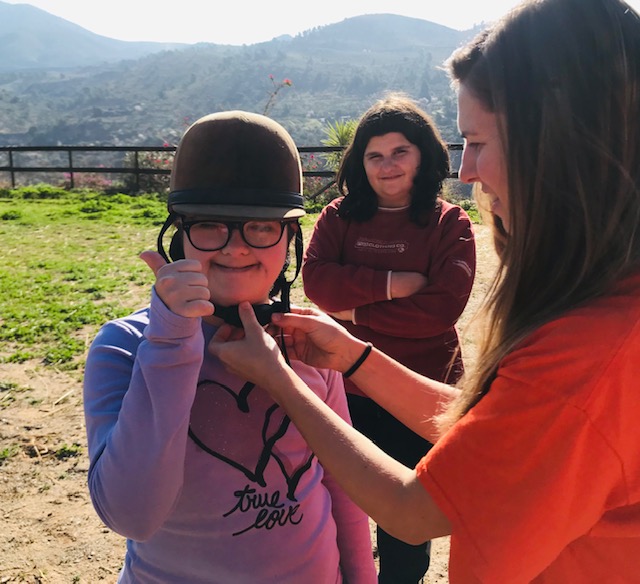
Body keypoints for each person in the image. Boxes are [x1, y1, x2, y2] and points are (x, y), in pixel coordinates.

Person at [207, 0, 640, 582]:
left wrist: (278, 378)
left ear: (558, 144)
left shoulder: (587, 351)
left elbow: (414, 511)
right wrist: (357, 356)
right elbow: (494, 437)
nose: (470, 172)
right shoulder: (610, 308)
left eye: (479, 142)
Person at [82, 111, 377, 583]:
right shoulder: (126, 347)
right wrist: (172, 339)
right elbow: (131, 515)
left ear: (290, 241)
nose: (236, 248)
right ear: (179, 234)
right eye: (210, 225)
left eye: (262, 227)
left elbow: (341, 484)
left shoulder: (308, 342)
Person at [302, 93, 476, 583]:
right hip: (345, 388)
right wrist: (394, 286)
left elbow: (438, 313)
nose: (387, 165)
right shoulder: (338, 216)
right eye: (374, 155)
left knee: (408, 510)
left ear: (424, 155)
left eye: (400, 151)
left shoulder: (450, 224)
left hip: (419, 392)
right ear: (360, 163)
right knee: (342, 497)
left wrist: (350, 312)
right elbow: (316, 283)